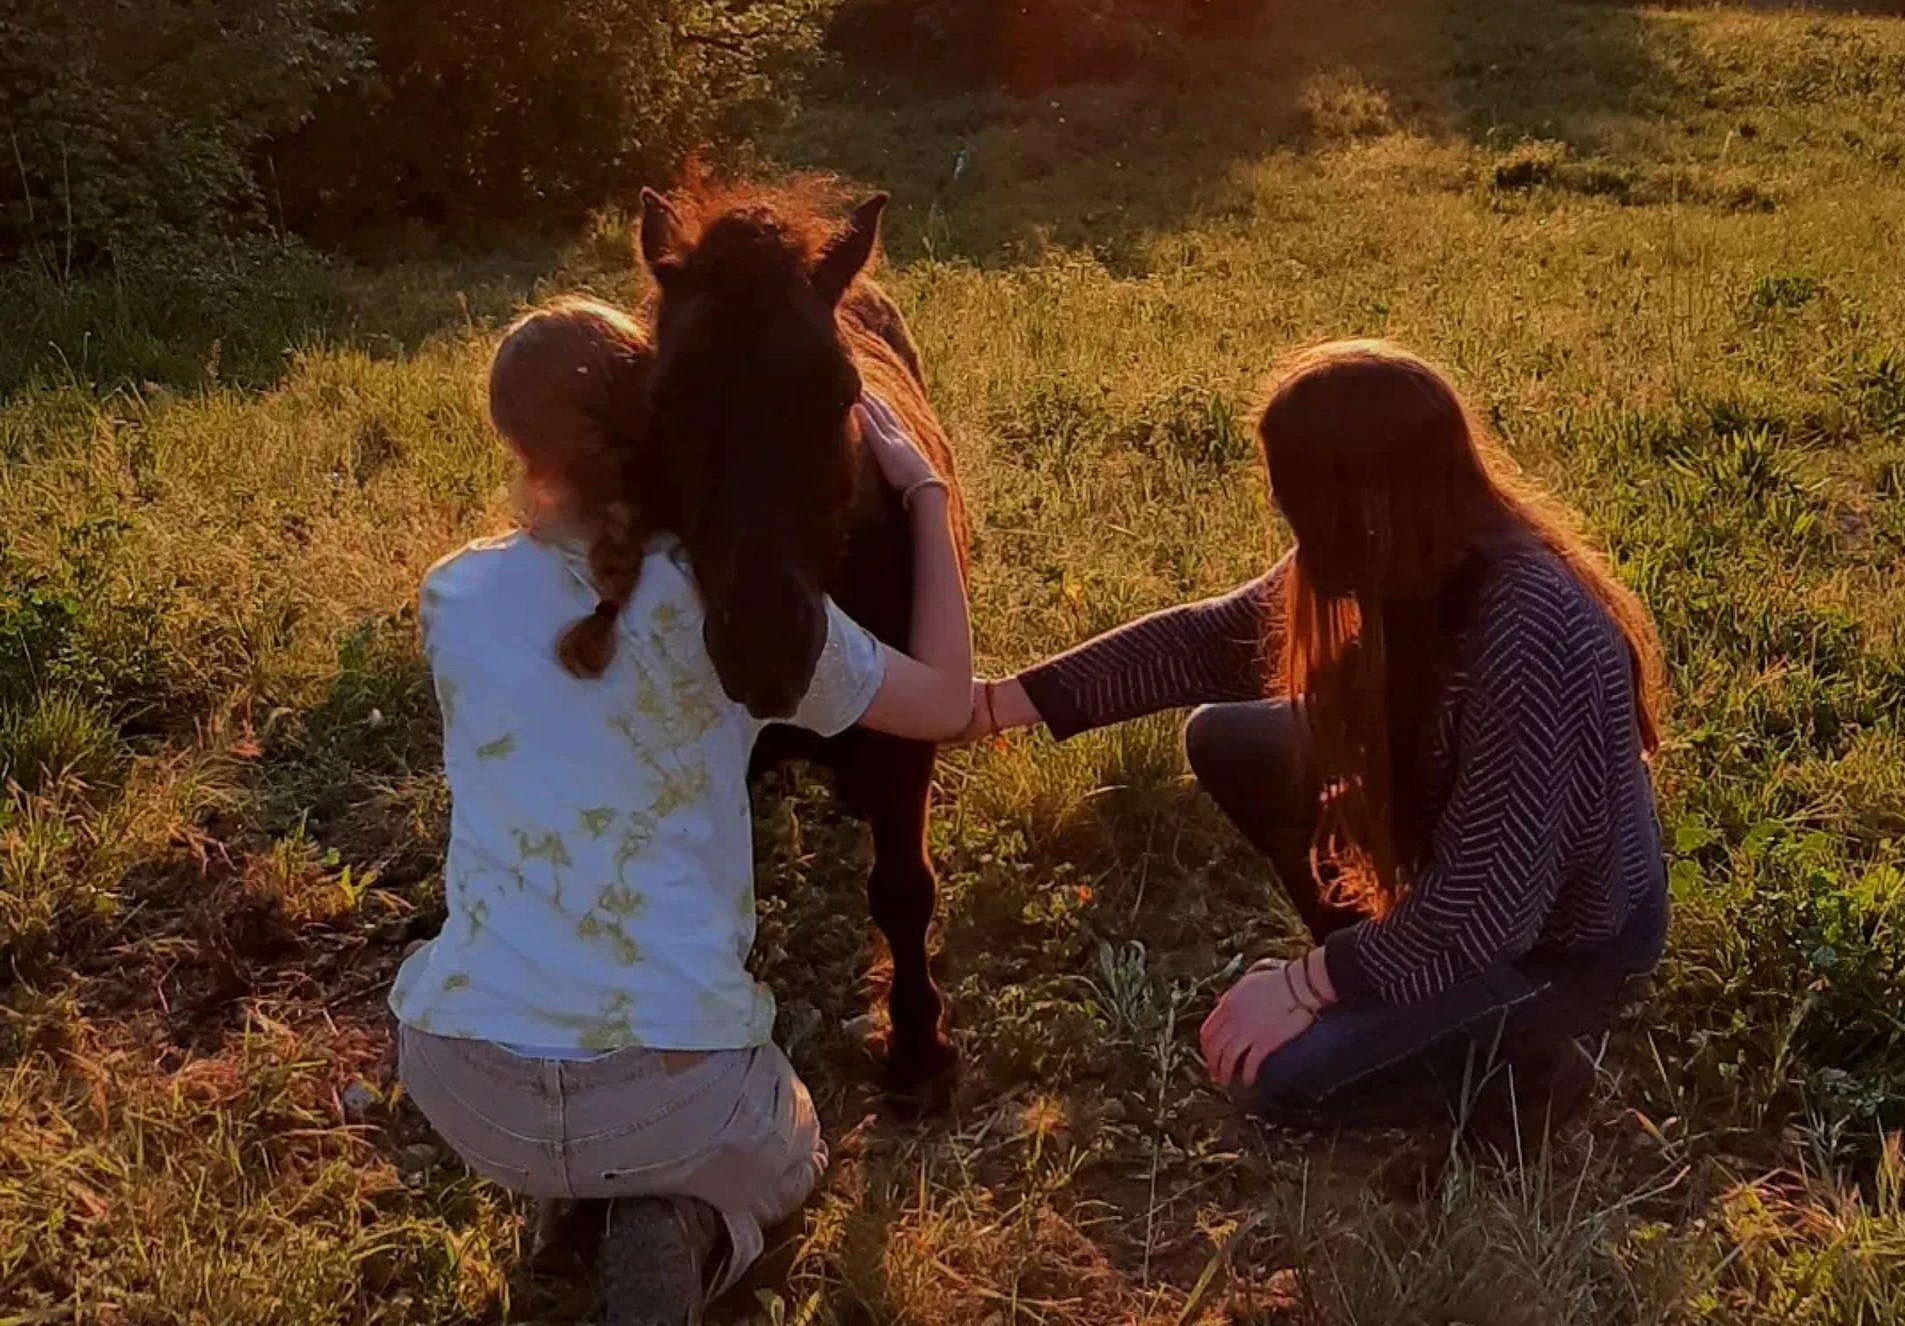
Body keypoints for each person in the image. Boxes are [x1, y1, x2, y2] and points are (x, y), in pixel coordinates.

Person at [389, 297, 972, 1326]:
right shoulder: (734, 610)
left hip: (457, 1080)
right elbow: (950, 704)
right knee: (794, 1141)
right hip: (673, 1096)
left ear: (511, 442)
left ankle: (561, 1187)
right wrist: (928, 495)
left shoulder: (447, 594)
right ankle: (685, 1226)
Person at [961, 339, 1667, 1138]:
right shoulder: (1410, 548)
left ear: (1365, 501)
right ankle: (1395, 978)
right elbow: (1214, 640)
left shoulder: (1532, 635)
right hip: (1471, 891)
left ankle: (1537, 1068)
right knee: (1230, 739)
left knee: (1282, 1082)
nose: (1285, 519)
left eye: (1294, 500)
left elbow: (1485, 916)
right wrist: (996, 705)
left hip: (1558, 949)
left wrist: (1307, 984)